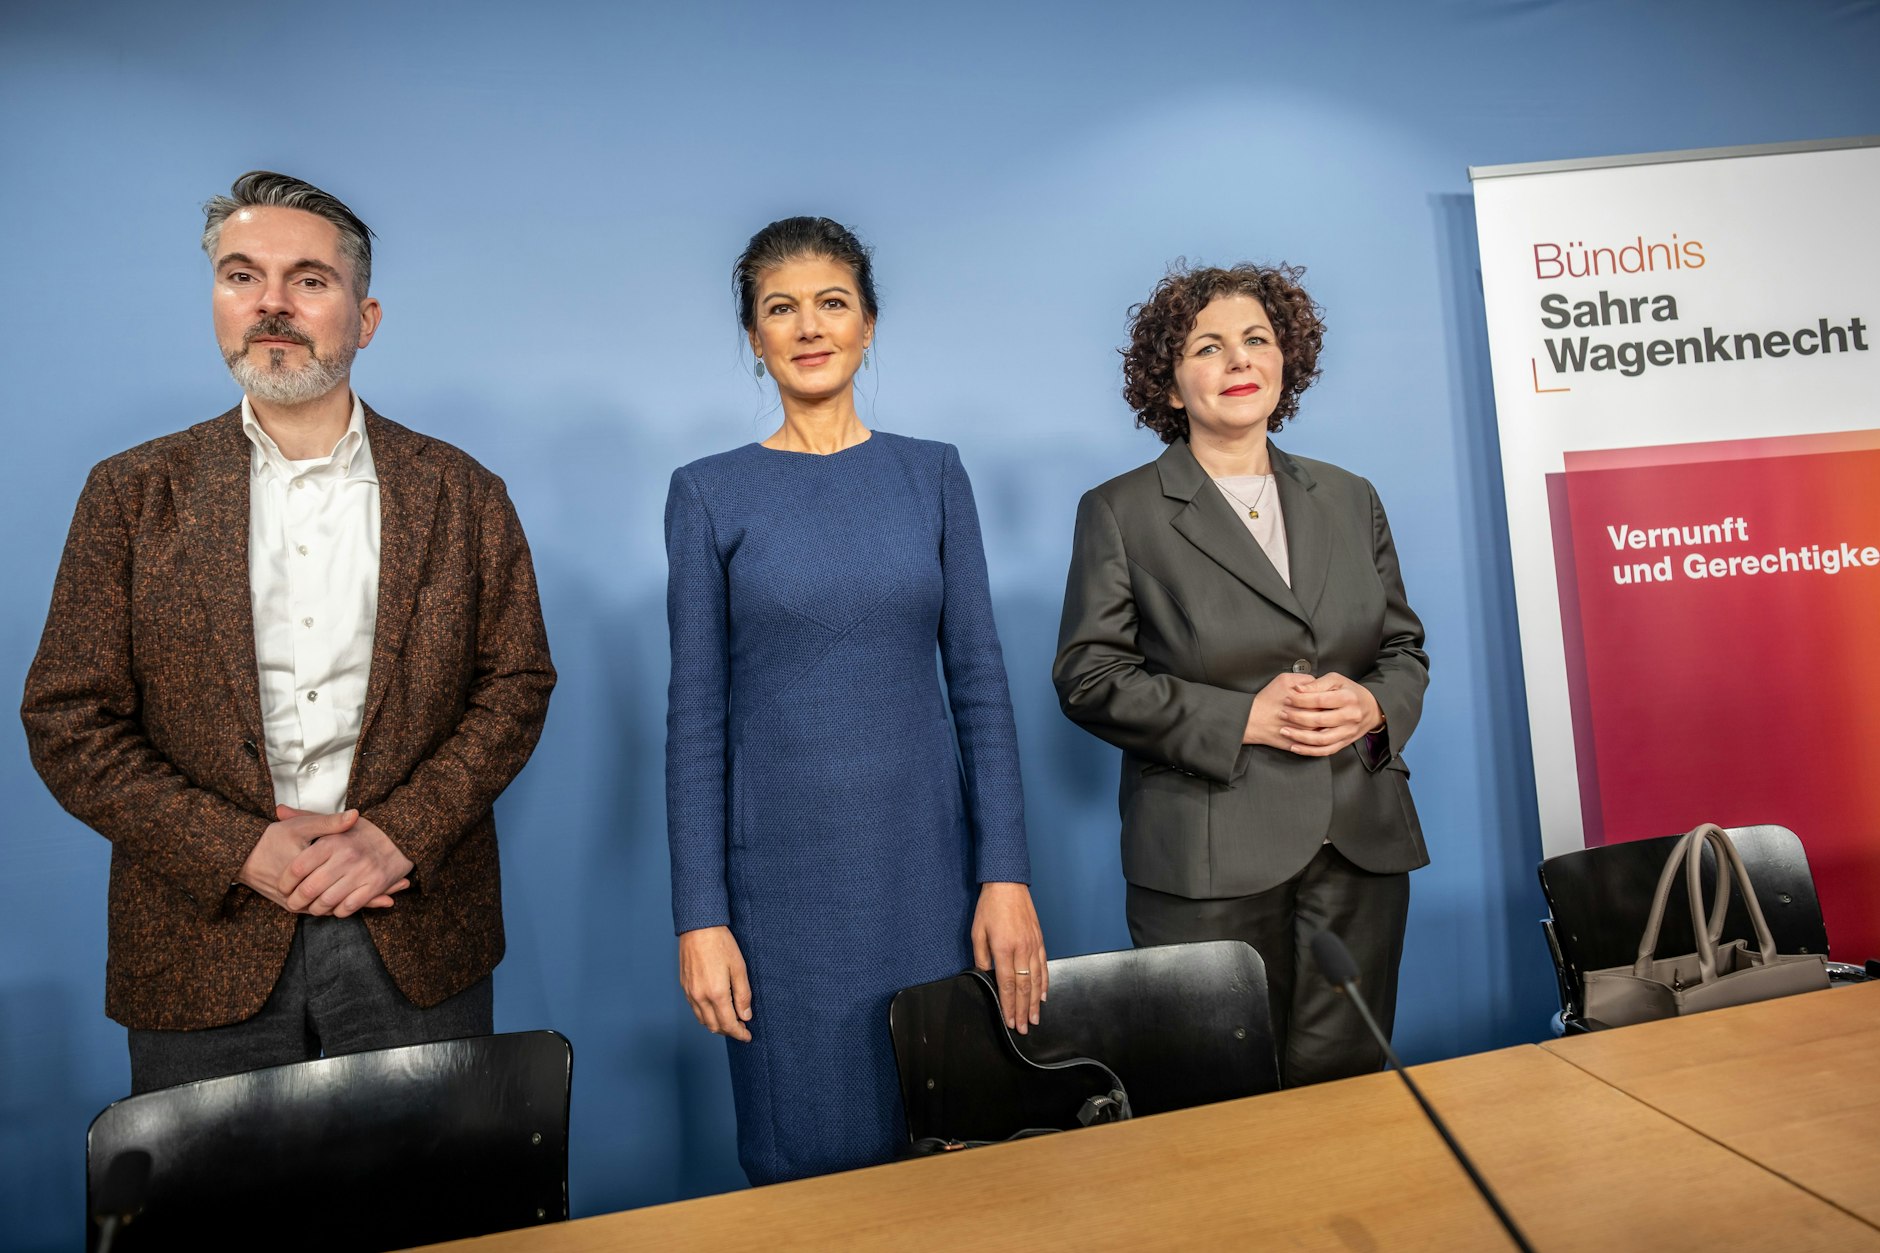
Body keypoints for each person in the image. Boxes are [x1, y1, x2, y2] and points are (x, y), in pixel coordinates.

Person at [21, 171, 556, 1093]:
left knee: (434, 1225)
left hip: (415, 935)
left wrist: (398, 835)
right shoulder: (131, 493)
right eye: (241, 277)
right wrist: (238, 849)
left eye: (308, 279)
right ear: (218, 303)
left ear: (366, 315)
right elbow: (68, 719)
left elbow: (516, 686)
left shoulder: (464, 492)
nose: (271, 303)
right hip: (200, 945)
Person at [665, 216, 1045, 1183]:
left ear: (869, 323)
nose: (808, 326)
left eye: (832, 303)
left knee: (952, 1155)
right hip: (780, 899)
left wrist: (1005, 871)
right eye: (779, 309)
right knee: (811, 1169)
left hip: (930, 875)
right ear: (753, 338)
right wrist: (700, 916)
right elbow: (695, 721)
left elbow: (982, 688)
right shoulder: (708, 493)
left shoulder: (933, 474)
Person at [1053, 263, 1428, 1087]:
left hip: (1359, 847)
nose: (1237, 360)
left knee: (1350, 1097)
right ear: (1171, 381)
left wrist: (1371, 702)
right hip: (1207, 858)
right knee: (1215, 1106)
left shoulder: (1350, 495)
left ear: (1286, 359)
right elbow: (1088, 674)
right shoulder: (1121, 510)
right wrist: (1242, 719)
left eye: (1256, 339)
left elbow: (1403, 651)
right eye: (1208, 346)